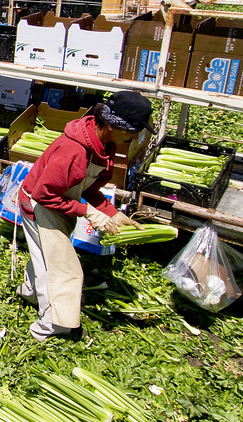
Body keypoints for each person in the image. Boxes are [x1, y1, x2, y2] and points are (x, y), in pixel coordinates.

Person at [17, 91, 152, 341]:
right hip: (37, 205)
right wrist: (88, 212)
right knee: (63, 269)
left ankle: (29, 292)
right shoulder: (73, 150)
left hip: (59, 203)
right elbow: (44, 194)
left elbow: (89, 188)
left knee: (45, 255)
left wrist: (111, 212)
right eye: (131, 130)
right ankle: (48, 326)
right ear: (112, 125)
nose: (134, 136)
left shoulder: (105, 146)